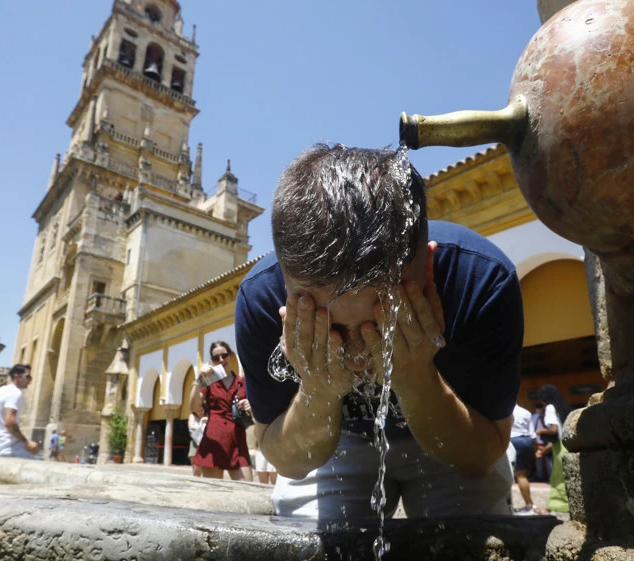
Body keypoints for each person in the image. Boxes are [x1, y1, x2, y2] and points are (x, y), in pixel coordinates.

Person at [235, 144, 524, 519]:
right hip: (337, 441)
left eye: (382, 322)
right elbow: (287, 462)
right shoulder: (260, 297)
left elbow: (481, 458)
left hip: (454, 426)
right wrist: (319, 390)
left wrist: (415, 376)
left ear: (428, 268)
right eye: (334, 326)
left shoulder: (481, 280)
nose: (358, 352)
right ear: (287, 290)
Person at [187, 341, 254, 480]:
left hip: (238, 441)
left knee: (247, 488)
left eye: (224, 355)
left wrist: (250, 406)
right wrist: (197, 381)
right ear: (212, 360)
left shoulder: (242, 381)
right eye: (216, 358)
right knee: (214, 492)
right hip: (214, 441)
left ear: (230, 356)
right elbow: (194, 407)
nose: (221, 360)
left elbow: (256, 413)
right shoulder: (208, 381)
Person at [0, 365, 39, 459]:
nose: (30, 381)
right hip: (8, 447)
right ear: (17, 376)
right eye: (28, 377)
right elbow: (10, 422)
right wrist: (27, 443)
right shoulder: (15, 393)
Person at [535, 384, 571, 513]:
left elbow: (554, 430)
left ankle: (556, 505)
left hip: (558, 447)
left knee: (558, 477)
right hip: (565, 444)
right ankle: (555, 505)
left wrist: (541, 431)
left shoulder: (549, 407)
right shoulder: (562, 407)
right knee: (563, 476)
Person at [509, 404, 538, 515]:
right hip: (526, 440)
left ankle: (529, 505)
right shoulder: (525, 411)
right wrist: (537, 448)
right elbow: (532, 432)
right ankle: (529, 503)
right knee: (523, 474)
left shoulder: (504, 409)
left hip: (513, 440)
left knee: (518, 475)